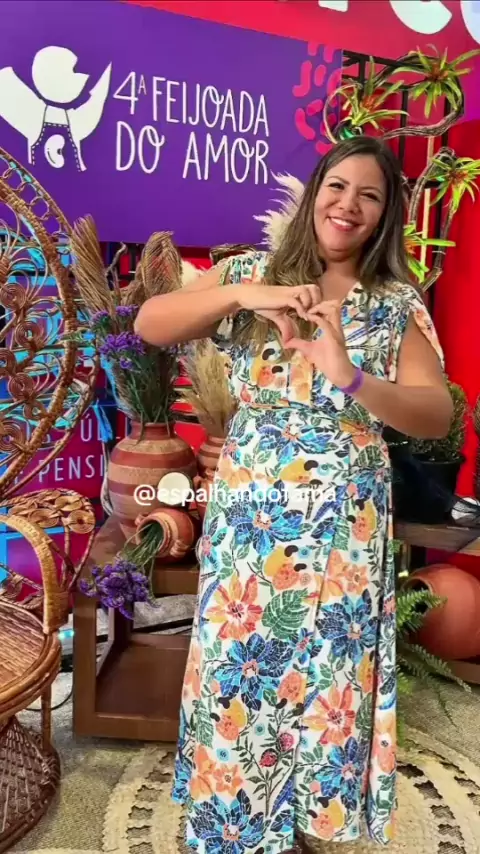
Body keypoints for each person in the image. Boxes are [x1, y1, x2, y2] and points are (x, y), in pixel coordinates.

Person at [134, 136, 453, 853]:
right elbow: (149, 324)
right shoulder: (250, 273)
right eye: (337, 187)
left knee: (324, 670)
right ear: (314, 194)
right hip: (252, 511)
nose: (349, 205)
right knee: (239, 660)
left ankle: (299, 820)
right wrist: (244, 294)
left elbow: (436, 415)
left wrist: (351, 377)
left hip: (346, 518)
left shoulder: (394, 304)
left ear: (385, 215)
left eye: (369, 196)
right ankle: (232, 819)